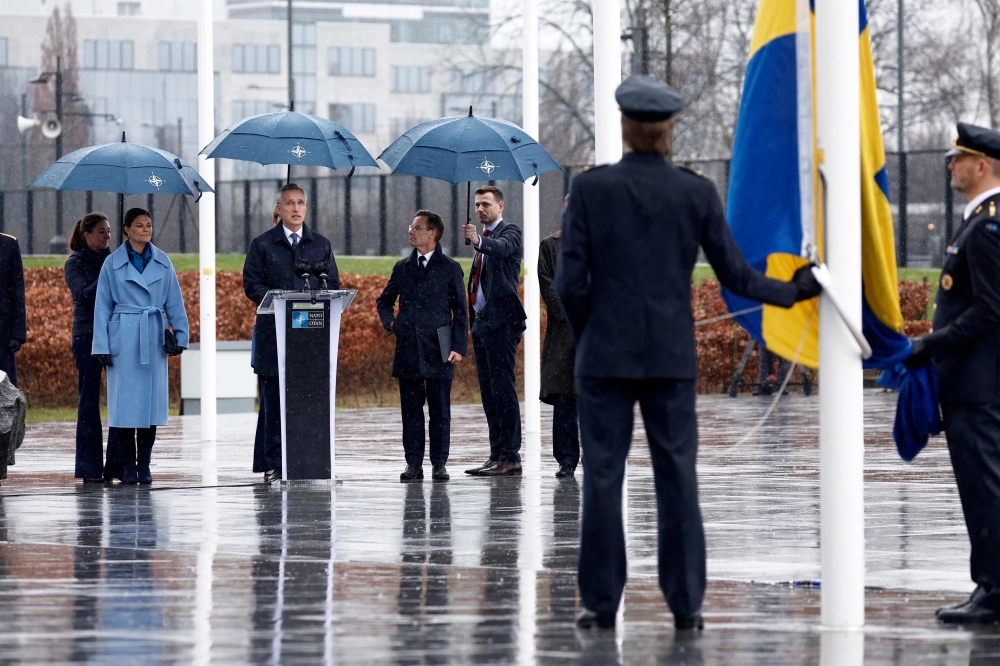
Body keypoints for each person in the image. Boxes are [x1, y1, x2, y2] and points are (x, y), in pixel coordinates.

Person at [556, 75, 822, 631]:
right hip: (670, 358)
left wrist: (594, 332)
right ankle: (686, 603)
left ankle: (600, 603)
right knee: (677, 477)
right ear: (668, 130)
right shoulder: (695, 191)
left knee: (603, 478)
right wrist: (795, 289)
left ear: (626, 128)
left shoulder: (590, 189)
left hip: (604, 356)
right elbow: (736, 275)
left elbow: (570, 282)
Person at [906, 122, 1000, 624]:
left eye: (957, 158)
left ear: (980, 165)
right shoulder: (981, 219)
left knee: (985, 487)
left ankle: (993, 589)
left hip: (978, 382)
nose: (950, 165)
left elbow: (989, 311)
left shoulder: (987, 224)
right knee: (985, 485)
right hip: (974, 381)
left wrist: (927, 345)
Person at [243, 183, 338, 484]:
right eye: (289, 203)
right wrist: (280, 298)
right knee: (273, 402)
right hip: (275, 337)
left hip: (310, 341)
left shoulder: (320, 244)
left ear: (306, 208)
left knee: (307, 402)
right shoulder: (263, 244)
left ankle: (306, 460)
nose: (296, 208)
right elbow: (251, 284)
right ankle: (274, 463)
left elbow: (333, 285)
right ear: (279, 209)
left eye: (300, 203)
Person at [92, 207, 189, 485]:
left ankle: (144, 465)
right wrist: (101, 344)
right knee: (124, 410)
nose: (146, 230)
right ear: (126, 229)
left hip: (153, 338)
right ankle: (126, 468)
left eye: (149, 225)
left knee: (149, 410)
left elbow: (174, 301)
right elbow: (102, 306)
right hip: (123, 338)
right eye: (139, 225)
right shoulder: (112, 263)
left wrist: (180, 336)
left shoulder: (163, 262)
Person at [376, 210, 468, 482]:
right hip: (408, 347)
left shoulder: (450, 267)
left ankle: (439, 463)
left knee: (440, 411)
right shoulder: (402, 267)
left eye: (416, 227)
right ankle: (413, 464)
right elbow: (384, 301)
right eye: (411, 226)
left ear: (433, 233)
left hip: (440, 348)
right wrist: (391, 324)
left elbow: (461, 312)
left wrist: (458, 346)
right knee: (411, 412)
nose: (410, 231)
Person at [462, 186, 527, 477]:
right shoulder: (485, 240)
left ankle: (510, 456)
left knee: (503, 390)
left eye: (486, 204)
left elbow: (502, 249)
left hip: (502, 323)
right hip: (481, 322)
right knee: (489, 392)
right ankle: (496, 454)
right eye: (477, 205)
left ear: (500, 205)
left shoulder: (509, 233)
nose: (480, 209)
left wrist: (477, 239)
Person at [64, 213, 114, 483]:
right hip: (88, 336)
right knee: (89, 400)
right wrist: (107, 275)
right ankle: (89, 467)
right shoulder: (75, 263)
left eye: (108, 231)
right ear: (86, 235)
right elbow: (83, 295)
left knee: (120, 400)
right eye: (101, 232)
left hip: (116, 333)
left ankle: (119, 463)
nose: (107, 237)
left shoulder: (115, 260)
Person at [538, 230, 580, 477]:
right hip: (563, 332)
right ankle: (566, 458)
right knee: (565, 396)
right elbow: (546, 281)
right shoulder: (549, 246)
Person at [0, 230, 26, 388]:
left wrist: (18, 334)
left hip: (2, 330)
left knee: (5, 389)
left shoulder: (8, 244)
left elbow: (17, 290)